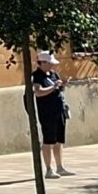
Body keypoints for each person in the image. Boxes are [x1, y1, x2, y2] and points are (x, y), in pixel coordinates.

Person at [31, 51, 70, 179]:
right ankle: (48, 169)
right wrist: (54, 87)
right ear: (42, 63)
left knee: (59, 140)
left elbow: (58, 89)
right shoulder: (37, 76)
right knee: (48, 140)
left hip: (59, 110)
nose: (52, 66)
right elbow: (38, 92)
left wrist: (62, 85)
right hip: (47, 113)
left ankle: (60, 167)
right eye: (49, 63)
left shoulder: (53, 74)